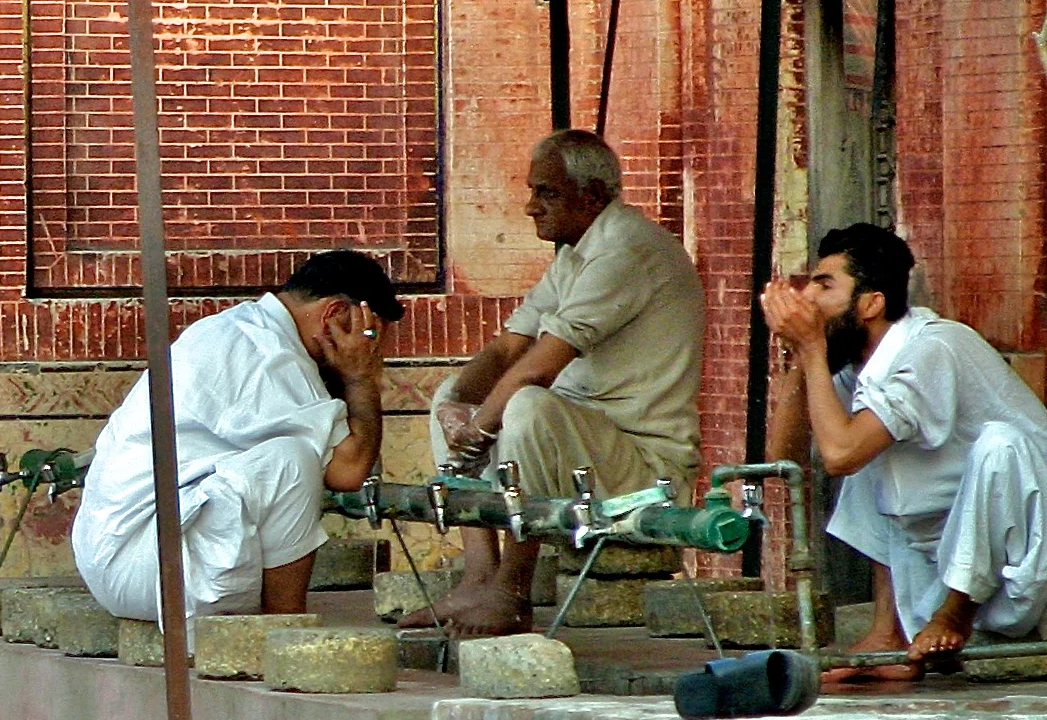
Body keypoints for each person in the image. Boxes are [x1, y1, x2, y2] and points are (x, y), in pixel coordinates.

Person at [761, 222, 1047, 681]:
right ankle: (887, 632)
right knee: (864, 440)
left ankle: (954, 615)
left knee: (999, 444)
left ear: (871, 303)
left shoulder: (934, 348)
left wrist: (813, 346)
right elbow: (783, 461)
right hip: (944, 570)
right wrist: (803, 355)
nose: (808, 299)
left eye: (824, 285)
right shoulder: (862, 367)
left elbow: (839, 454)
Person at [408, 130, 705, 636]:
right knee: (451, 394)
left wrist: (475, 431)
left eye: (546, 193)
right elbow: (508, 348)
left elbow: (538, 368)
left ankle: (511, 591)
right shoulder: (574, 254)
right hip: (584, 445)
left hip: (644, 470)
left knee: (525, 404)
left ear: (590, 196)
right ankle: (478, 577)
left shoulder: (625, 251)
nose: (530, 208)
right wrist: (458, 409)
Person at [71, 249, 402, 627]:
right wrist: (361, 376)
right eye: (371, 335)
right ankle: (285, 631)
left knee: (288, 459)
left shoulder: (243, 329)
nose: (372, 350)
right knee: (291, 462)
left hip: (124, 557)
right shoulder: (271, 356)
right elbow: (350, 469)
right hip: (146, 564)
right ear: (335, 315)